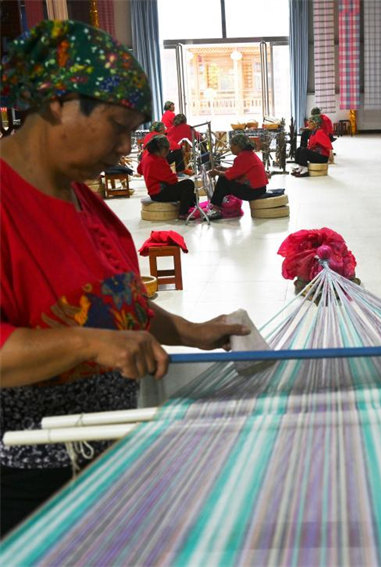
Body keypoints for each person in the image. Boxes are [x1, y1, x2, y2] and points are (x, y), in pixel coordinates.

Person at [0, 20, 250, 536]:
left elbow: (114, 302)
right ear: (57, 103)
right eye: (118, 127)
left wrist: (189, 332)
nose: (125, 149)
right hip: (25, 476)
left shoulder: (85, 202)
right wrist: (90, 343)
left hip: (105, 449)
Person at [137, 135, 198, 220]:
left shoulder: (146, 156)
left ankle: (186, 207)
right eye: (167, 150)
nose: (168, 152)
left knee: (192, 196)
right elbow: (172, 180)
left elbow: (139, 170)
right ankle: (183, 213)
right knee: (188, 184)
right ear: (161, 149)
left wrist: (150, 175)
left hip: (153, 192)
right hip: (160, 193)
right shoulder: (158, 161)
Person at [207, 133, 268, 216]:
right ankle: (219, 204)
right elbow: (238, 170)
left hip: (254, 192)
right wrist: (223, 169)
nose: (230, 148)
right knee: (225, 179)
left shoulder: (243, 157)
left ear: (238, 146)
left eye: (232, 145)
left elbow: (232, 174)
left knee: (223, 180)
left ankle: (215, 207)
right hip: (260, 189)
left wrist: (217, 173)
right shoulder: (248, 154)